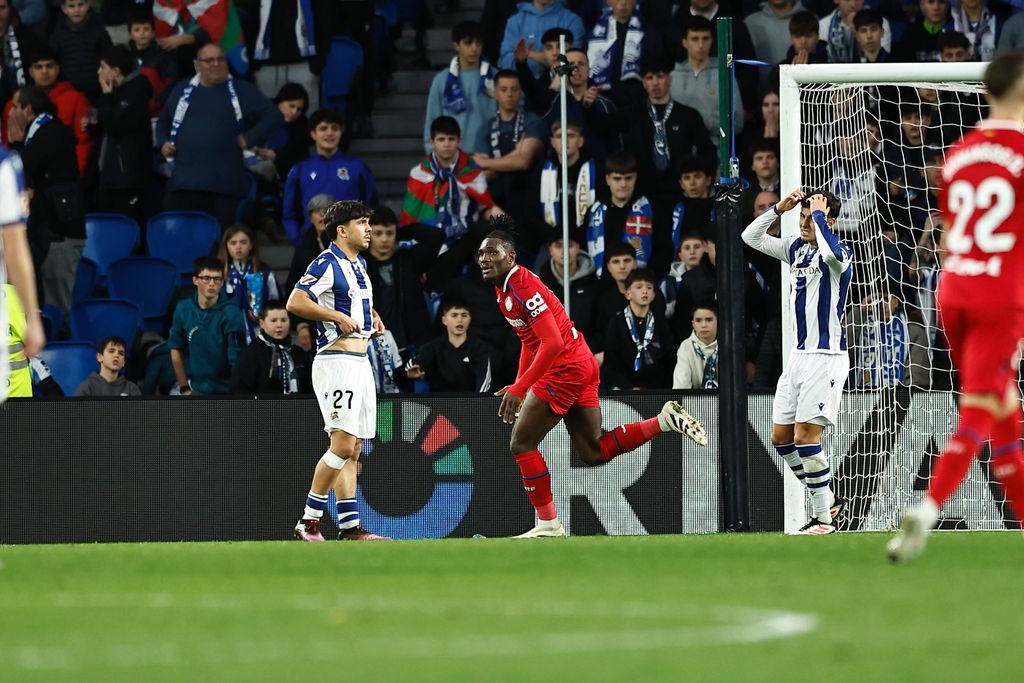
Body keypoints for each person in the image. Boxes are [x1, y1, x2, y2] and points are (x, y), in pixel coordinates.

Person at [478, 218, 706, 538]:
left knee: (521, 443)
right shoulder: (503, 291)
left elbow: (552, 342)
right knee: (592, 452)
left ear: (511, 256)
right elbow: (531, 343)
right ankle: (664, 421)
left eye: (492, 252)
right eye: (481, 254)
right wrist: (520, 383)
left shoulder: (521, 285)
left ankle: (548, 525)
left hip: (565, 366)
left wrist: (522, 386)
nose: (484, 258)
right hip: (580, 362)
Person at [888, 53, 1024, 563]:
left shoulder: (959, 153)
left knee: (1007, 416)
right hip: (998, 298)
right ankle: (927, 509)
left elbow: (951, 231)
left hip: (952, 292)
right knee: (981, 411)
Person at [741, 188, 852, 534]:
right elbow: (751, 236)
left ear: (829, 222)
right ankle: (828, 499)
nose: (804, 223)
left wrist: (820, 217)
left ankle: (823, 518)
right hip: (798, 358)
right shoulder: (795, 249)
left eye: (811, 217)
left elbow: (833, 254)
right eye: (802, 217)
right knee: (781, 438)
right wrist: (778, 209)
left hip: (826, 357)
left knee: (806, 438)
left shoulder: (841, 254)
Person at [287, 199, 390, 542]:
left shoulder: (358, 264)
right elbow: (296, 301)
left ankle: (349, 527)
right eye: (362, 223)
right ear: (343, 230)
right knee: (343, 444)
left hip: (361, 361)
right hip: (336, 362)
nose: (369, 229)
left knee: (353, 448)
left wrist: (369, 316)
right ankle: (309, 521)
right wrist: (336, 317)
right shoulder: (326, 262)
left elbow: (353, 301)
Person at [156, 43, 283, 228]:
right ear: (197, 65)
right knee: (181, 242)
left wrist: (249, 138)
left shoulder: (241, 90)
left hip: (224, 186)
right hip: (183, 185)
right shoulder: (182, 89)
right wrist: (163, 143)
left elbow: (274, 116)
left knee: (219, 246)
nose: (216, 64)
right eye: (209, 60)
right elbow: (163, 122)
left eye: (220, 59)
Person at [8, 85, 84, 312]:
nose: (11, 113)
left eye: (15, 107)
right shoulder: (45, 131)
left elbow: (19, 170)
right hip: (47, 233)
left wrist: (15, 143)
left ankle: (65, 345)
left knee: (58, 307)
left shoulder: (50, 133)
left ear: (28, 109)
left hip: (59, 236)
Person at [282, 108, 378, 245]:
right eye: (323, 128)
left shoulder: (358, 168)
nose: (329, 133)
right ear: (313, 134)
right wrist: (299, 241)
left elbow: (371, 207)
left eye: (335, 128)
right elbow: (289, 213)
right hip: (313, 245)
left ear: (341, 133)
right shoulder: (300, 170)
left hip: (350, 244)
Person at [401, 115, 498, 246]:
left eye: (451, 139)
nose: (446, 144)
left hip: (465, 237)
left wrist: (495, 212)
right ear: (432, 142)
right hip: (428, 238)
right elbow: (410, 214)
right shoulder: (419, 174)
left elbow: (483, 207)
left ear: (459, 141)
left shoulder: (472, 171)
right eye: (441, 139)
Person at [0, 146, 44, 404]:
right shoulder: (5, 163)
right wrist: (33, 321)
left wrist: (32, 317)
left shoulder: (5, 164)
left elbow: (15, 246)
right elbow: (15, 246)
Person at [168, 256, 247, 395]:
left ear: (222, 282)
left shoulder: (232, 314)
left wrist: (235, 395)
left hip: (228, 390)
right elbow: (175, 347)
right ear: (195, 280)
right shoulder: (183, 309)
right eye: (206, 278)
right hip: (197, 388)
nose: (212, 284)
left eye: (217, 279)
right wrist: (184, 386)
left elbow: (237, 360)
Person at [95, 44, 153, 227]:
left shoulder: (135, 90)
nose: (99, 72)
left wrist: (105, 96)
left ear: (116, 71)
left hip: (128, 178)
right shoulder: (118, 92)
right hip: (114, 177)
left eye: (103, 67)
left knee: (129, 229)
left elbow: (114, 125)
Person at [423, 20, 497, 156]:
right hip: (451, 156)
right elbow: (432, 120)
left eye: (478, 43)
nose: (474, 48)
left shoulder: (495, 76)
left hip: (489, 156)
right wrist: (433, 155)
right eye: (468, 43)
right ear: (456, 45)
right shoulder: (441, 80)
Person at [670, 16, 743, 147]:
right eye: (694, 39)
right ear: (684, 42)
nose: (700, 45)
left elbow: (737, 122)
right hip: (680, 155)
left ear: (712, 41)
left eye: (705, 39)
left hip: (716, 152)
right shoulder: (673, 77)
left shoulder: (724, 75)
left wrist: (703, 125)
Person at [600, 268, 676, 390]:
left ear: (654, 295)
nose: (645, 291)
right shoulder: (616, 323)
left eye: (649, 287)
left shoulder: (660, 322)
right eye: (639, 287)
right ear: (628, 294)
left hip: (656, 391)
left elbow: (669, 359)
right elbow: (611, 363)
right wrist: (628, 388)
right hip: (623, 391)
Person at [405, 299, 494, 392]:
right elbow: (413, 364)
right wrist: (411, 371)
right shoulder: (433, 347)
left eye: (464, 315)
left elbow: (484, 380)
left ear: (470, 319)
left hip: (469, 403)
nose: (460, 320)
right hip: (439, 403)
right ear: (444, 320)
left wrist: (477, 403)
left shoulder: (479, 348)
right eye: (454, 315)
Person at [229, 299, 312, 394]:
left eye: (284, 320)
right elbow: (239, 390)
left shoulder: (298, 353)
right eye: (274, 320)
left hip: (299, 407)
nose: (279, 325)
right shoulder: (251, 354)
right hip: (263, 408)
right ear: (262, 323)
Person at [218, 223, 280, 343]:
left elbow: (275, 301)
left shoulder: (264, 272)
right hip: (227, 331)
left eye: (243, 242)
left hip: (259, 330)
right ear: (226, 246)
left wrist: (263, 313)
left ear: (251, 245)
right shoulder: (218, 273)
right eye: (233, 243)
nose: (238, 247)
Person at [48, 0, 113, 102]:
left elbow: (109, 59)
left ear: (88, 5)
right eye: (71, 6)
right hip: (68, 92)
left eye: (80, 5)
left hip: (97, 90)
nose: (76, 10)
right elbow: (54, 64)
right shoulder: (57, 37)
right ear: (64, 9)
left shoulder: (99, 32)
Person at [127, 13, 177, 117]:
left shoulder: (162, 57)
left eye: (146, 29)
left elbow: (172, 83)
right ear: (130, 34)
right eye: (137, 30)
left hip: (157, 113)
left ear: (153, 32)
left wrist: (158, 102)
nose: (142, 33)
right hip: (131, 112)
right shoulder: (125, 57)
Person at [74, 336, 142, 396]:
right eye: (111, 351)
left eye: (121, 353)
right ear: (99, 357)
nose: (116, 355)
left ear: (123, 362)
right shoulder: (86, 387)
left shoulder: (132, 389)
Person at [672, 302, 718, 389]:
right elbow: (681, 387)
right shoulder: (686, 347)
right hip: (694, 401)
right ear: (693, 324)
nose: (704, 325)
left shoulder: (728, 344)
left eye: (709, 320)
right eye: (698, 320)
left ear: (718, 321)